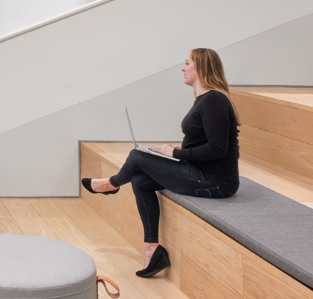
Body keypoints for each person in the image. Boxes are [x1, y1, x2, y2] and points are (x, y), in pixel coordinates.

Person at [81, 48, 239, 278]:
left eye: (187, 63)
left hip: (216, 182)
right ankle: (152, 250)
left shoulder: (214, 100)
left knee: (136, 157)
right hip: (198, 170)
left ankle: (111, 184)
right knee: (139, 180)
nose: (183, 68)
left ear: (201, 66)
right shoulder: (205, 99)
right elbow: (205, 143)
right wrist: (177, 150)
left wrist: (176, 154)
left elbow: (217, 149)